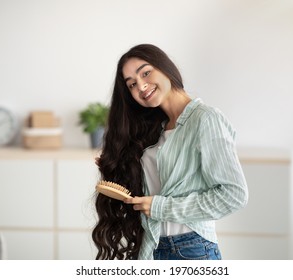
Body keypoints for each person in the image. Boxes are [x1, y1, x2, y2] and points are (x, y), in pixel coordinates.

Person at [92, 44, 248, 260]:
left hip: (192, 250)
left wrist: (161, 207)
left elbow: (234, 195)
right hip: (152, 248)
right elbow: (156, 187)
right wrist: (117, 166)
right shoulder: (155, 129)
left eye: (146, 73)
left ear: (165, 67)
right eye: (132, 85)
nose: (141, 86)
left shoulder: (205, 119)